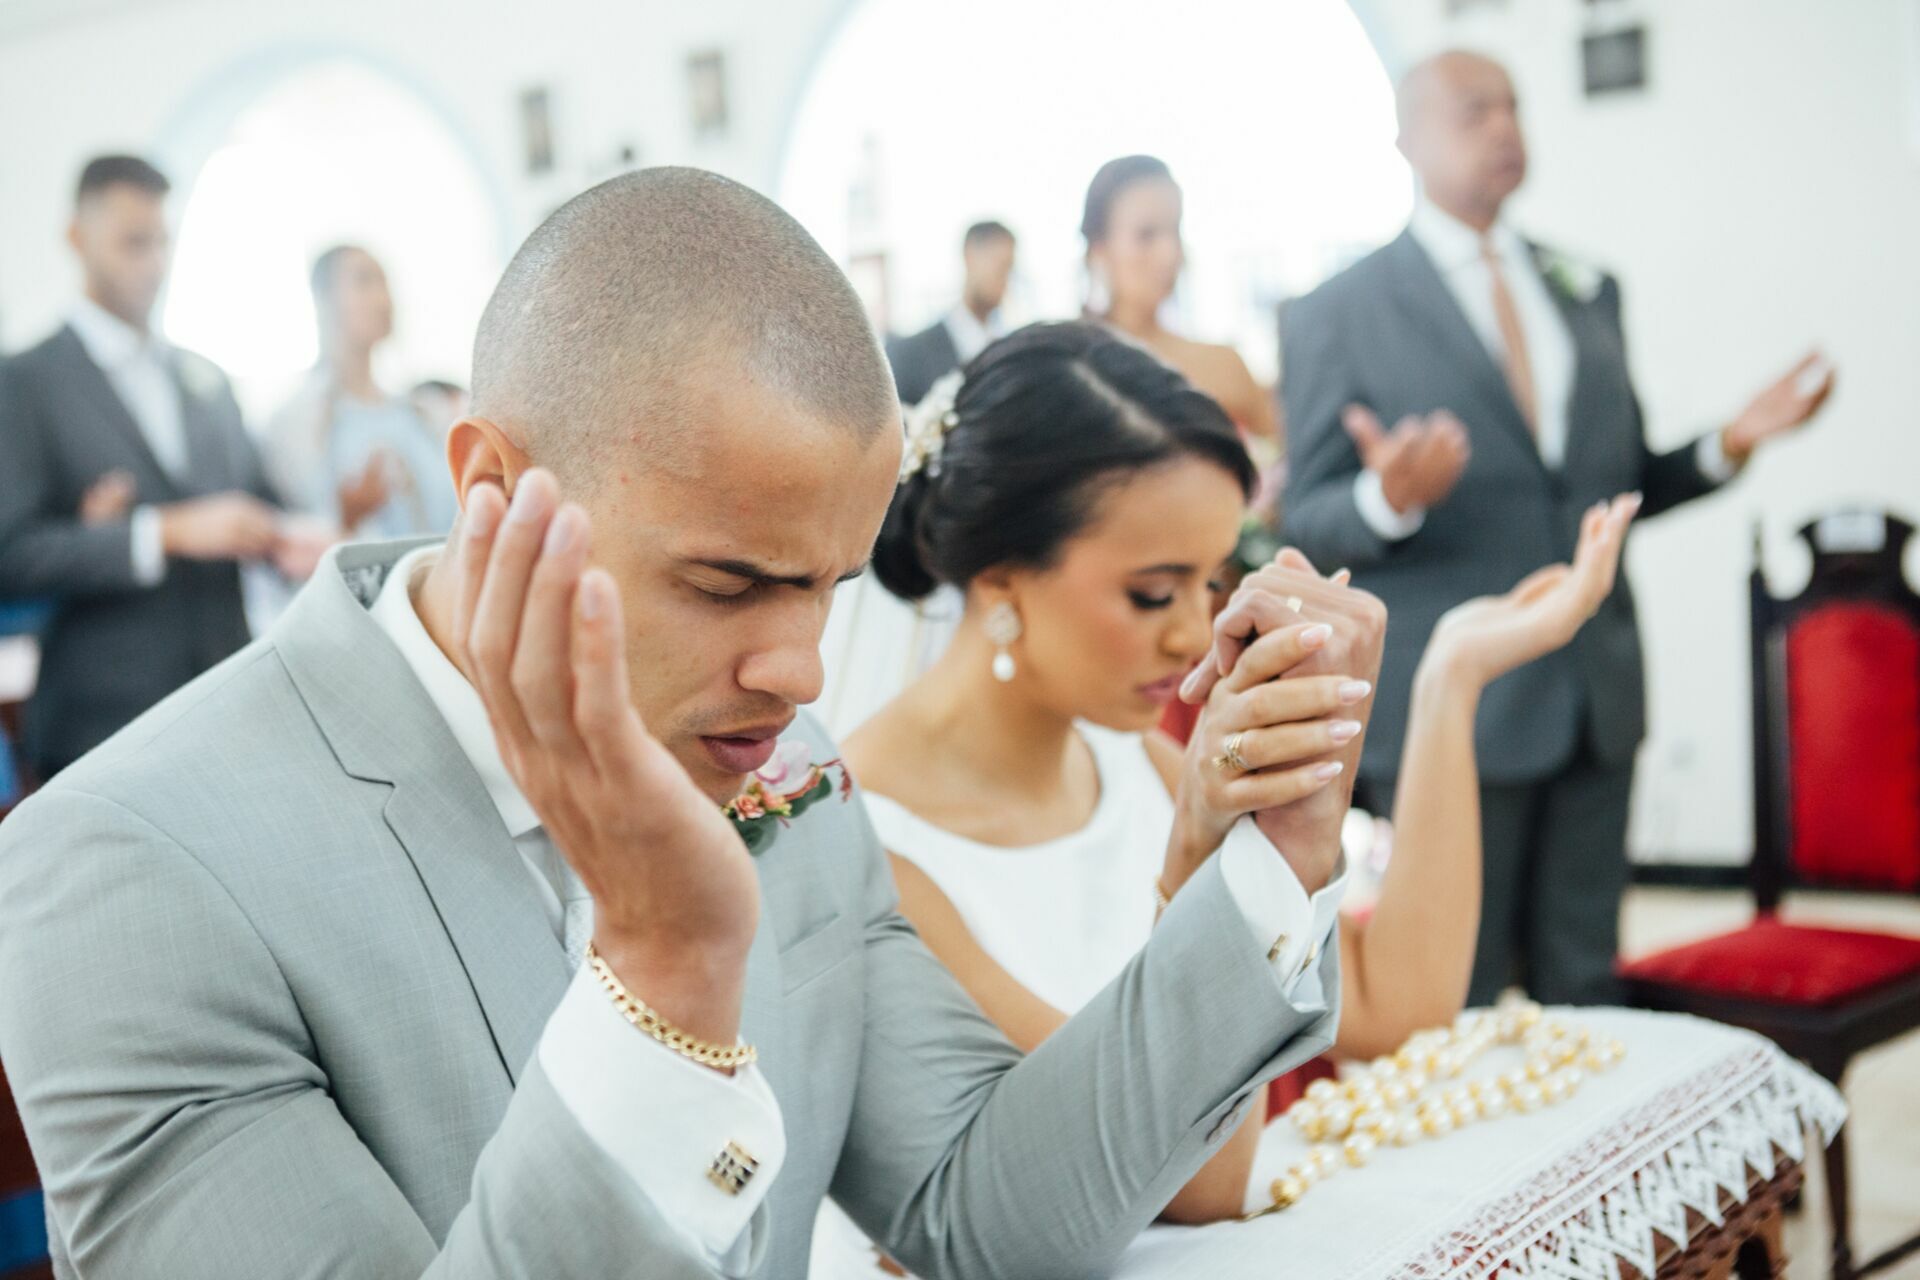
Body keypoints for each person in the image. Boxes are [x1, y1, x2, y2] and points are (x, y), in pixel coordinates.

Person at [0, 167, 1383, 1278]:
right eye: (730, 582)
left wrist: (1274, 850)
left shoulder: (781, 761)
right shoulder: (124, 872)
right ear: (489, 484)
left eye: (834, 589)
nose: (804, 676)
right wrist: (664, 981)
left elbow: (984, 1212)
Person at [809, 323, 1637, 1276]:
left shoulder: (1133, 765)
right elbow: (1197, 1181)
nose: (1194, 635)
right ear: (1001, 583)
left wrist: (1452, 677)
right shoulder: (866, 849)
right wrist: (1205, 855)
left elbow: (1397, 1006)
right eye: (1154, 594)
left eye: (1211, 581)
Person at [1281, 50, 1835, 1007]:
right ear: (1405, 140)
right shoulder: (1339, 311)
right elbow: (1311, 516)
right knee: (1453, 991)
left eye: (1514, 107)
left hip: (1596, 692)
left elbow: (1607, 494)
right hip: (1459, 710)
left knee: (1587, 983)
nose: (1504, 127)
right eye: (1473, 110)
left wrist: (1727, 444)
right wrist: (1391, 499)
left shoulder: (1587, 290)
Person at [0, 155, 298, 779]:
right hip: (102, 730)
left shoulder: (207, 379)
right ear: (77, 239)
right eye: (133, 243)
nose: (154, 264)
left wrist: (298, 533)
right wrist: (162, 532)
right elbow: (12, 556)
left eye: (162, 241)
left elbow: (264, 502)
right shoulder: (24, 384)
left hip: (231, 706)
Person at [266, 245, 460, 540]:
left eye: (384, 284)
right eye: (363, 281)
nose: (383, 300)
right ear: (323, 300)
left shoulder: (425, 413)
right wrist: (347, 519)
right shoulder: (295, 426)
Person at [1082, 155, 1279, 441]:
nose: (1170, 253)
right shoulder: (1070, 370)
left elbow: (1285, 469)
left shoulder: (1224, 364)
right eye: (1146, 235)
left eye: (1175, 230)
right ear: (1099, 249)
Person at [884, 220, 1015, 406]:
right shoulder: (909, 353)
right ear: (969, 256)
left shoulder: (1010, 352)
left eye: (1010, 269)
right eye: (999, 266)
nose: (1005, 280)